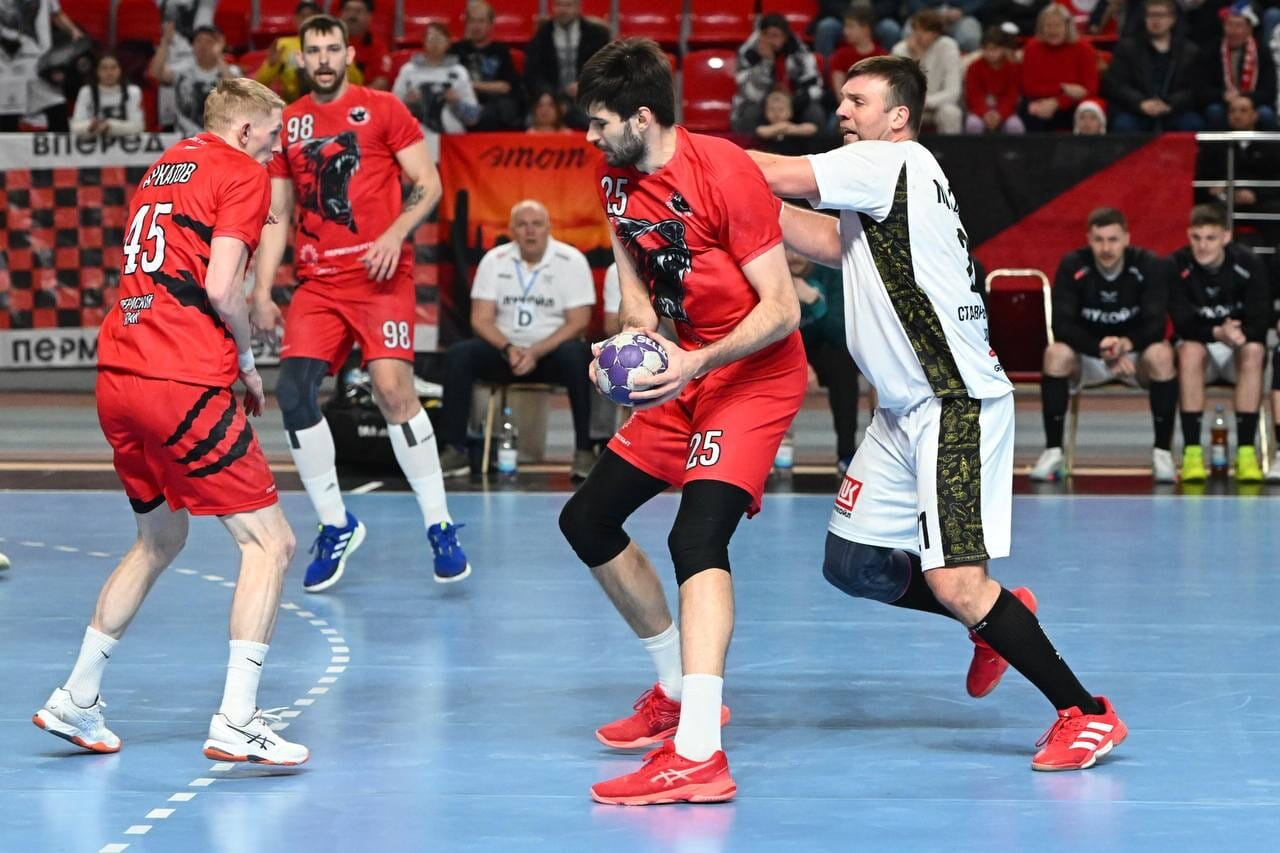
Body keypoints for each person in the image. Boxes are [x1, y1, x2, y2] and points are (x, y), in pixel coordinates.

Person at [750, 54, 1126, 773]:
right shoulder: (889, 183)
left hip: (954, 405)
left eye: (857, 101)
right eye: (841, 100)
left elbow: (777, 172)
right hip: (902, 412)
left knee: (957, 581)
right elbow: (827, 241)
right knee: (853, 563)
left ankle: (1086, 714)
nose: (842, 111)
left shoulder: (890, 161)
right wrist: (743, 206)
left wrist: (683, 157)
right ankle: (995, 616)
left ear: (898, 117)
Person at [33, 77, 310, 765]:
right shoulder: (242, 171)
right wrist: (247, 362)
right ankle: (237, 719)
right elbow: (222, 287)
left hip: (118, 375)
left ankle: (76, 696)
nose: (275, 150)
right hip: (180, 377)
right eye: (271, 136)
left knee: (159, 538)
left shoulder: (164, 166)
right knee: (270, 543)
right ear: (243, 131)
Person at [560, 37, 806, 805]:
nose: (590, 137)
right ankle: (672, 687)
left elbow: (782, 308)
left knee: (696, 537)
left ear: (643, 116)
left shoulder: (723, 172)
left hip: (751, 372)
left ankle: (700, 752)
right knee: (586, 519)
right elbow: (636, 290)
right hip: (682, 367)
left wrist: (696, 361)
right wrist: (625, 350)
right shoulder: (614, 175)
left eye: (600, 122)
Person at [250, 14, 469, 591]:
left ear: (349, 55)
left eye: (332, 49)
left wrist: (395, 234)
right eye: (313, 50)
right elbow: (277, 212)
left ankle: (440, 525)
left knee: (394, 392)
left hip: (380, 277)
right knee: (293, 393)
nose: (323, 59)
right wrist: (261, 290)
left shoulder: (383, 108)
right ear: (302, 59)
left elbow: (429, 182)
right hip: (318, 284)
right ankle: (336, 523)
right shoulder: (289, 123)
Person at [438, 200, 598, 481]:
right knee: (459, 355)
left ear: (548, 228)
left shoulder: (571, 260)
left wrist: (535, 351)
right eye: (522, 225)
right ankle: (455, 449)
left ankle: (584, 450)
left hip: (551, 353)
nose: (530, 231)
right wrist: (509, 348)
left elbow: (579, 321)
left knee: (578, 355)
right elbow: (481, 319)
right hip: (505, 352)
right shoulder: (494, 260)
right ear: (512, 230)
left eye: (536, 224)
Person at [1028, 207, 1177, 482]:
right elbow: (1061, 325)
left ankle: (1162, 453)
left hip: (1134, 359)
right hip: (1089, 357)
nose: (1106, 248)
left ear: (1126, 238)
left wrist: (1125, 344)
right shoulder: (1073, 264)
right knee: (1055, 353)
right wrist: (1100, 348)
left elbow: (1157, 324)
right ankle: (1053, 451)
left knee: (1162, 355)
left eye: (1113, 239)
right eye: (1099, 240)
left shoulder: (1147, 264)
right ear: (1088, 239)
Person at [1169, 204, 1270, 482]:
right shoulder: (1176, 265)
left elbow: (1261, 319)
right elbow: (1182, 322)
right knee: (1189, 351)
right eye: (1196, 238)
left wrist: (1239, 335)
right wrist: (1217, 333)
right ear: (1188, 235)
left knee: (1254, 350)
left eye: (1211, 238)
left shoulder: (1249, 264)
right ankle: (1192, 454)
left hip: (1238, 347)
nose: (1203, 246)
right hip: (1202, 350)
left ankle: (1246, 453)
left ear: (1226, 237)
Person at [786, 247, 860, 472]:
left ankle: (846, 455)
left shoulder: (831, 272)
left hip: (825, 349)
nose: (794, 255)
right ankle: (764, 455)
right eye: (786, 249)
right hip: (784, 352)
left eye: (797, 248)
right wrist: (801, 363)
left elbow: (840, 332)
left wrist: (814, 300)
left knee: (843, 362)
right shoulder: (772, 273)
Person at [1102, 0, 1205, 132]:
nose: (1155, 20)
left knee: (1192, 123)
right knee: (1124, 124)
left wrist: (1170, 104)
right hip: (1137, 108)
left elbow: (1194, 88)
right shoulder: (1127, 48)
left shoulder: (1189, 51)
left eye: (1161, 15)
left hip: (1174, 109)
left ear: (1172, 19)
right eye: (1151, 15)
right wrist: (1140, 103)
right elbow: (1116, 84)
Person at [391, 21, 480, 154]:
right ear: (423, 41)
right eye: (431, 38)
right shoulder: (408, 71)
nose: (435, 43)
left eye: (440, 39)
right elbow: (391, 113)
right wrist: (407, 104)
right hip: (415, 142)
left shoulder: (459, 72)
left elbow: (473, 118)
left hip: (452, 143)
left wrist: (457, 103)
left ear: (448, 43)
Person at [731, 12, 826, 133]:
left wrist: (794, 102)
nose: (771, 40)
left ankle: (796, 136)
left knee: (815, 113)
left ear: (785, 36)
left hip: (795, 101)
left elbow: (814, 85)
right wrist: (766, 62)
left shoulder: (800, 52)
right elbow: (750, 93)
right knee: (748, 114)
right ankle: (763, 137)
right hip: (761, 101)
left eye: (776, 36)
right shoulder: (748, 53)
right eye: (767, 35)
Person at [524, 0, 611, 131]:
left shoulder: (596, 34)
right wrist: (549, 95)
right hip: (551, 96)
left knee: (593, 122)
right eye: (559, 5)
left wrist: (584, 85)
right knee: (529, 121)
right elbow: (532, 72)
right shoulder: (541, 34)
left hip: (585, 96)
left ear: (578, 7)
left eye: (568, 5)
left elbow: (605, 70)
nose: (563, 10)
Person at [1019, 3, 1099, 133]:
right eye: (1048, 26)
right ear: (1041, 28)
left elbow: (1090, 88)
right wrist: (1063, 88)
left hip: (1071, 103)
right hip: (1040, 101)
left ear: (1067, 27)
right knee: (1029, 109)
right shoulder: (1032, 48)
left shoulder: (1084, 48)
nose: (1053, 31)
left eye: (1057, 26)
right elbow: (1029, 87)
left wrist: (1058, 102)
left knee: (1086, 110)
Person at [151, 22, 238, 136]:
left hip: (217, 139)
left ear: (218, 45)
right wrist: (165, 42)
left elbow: (236, 94)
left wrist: (218, 56)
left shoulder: (229, 71)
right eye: (198, 41)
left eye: (209, 42)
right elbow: (156, 72)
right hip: (184, 139)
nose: (203, 46)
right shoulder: (182, 70)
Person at [450, 0, 525, 131]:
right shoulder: (456, 50)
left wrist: (472, 85)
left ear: (490, 24)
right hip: (462, 105)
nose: (476, 26)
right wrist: (488, 87)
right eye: (472, 21)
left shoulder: (501, 50)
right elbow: (450, 85)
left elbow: (505, 87)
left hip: (494, 107)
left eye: (481, 21)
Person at [1204, 2, 1277, 131]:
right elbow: (1201, 89)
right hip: (1223, 102)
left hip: (1253, 102)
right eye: (1229, 25)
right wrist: (1223, 96)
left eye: (1239, 26)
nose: (1233, 31)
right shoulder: (1211, 51)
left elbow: (1269, 91)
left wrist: (1245, 97)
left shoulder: (1262, 53)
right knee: (1214, 111)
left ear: (1249, 29)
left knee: (1265, 114)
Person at [892, 11, 963, 134]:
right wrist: (917, 57)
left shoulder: (948, 47)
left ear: (936, 34)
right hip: (910, 106)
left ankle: (951, 147)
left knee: (951, 113)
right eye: (916, 30)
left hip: (938, 105)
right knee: (896, 113)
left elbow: (953, 91)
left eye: (924, 31)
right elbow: (897, 89)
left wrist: (927, 102)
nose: (918, 35)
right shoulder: (900, 50)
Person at [253, 1, 323, 104]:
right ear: (295, 20)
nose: (307, 21)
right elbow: (258, 85)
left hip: (325, 103)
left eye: (312, 16)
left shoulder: (331, 45)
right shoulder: (283, 45)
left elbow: (350, 82)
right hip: (291, 105)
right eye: (303, 16)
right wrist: (271, 66)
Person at [964, 25, 1025, 135]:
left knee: (1015, 126)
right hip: (980, 112)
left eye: (995, 49)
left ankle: (1012, 148)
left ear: (1003, 49)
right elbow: (973, 95)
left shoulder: (1012, 68)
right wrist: (984, 113)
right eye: (986, 49)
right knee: (973, 124)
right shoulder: (974, 68)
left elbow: (1012, 95)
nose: (990, 54)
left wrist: (1000, 114)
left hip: (1005, 112)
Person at [70, 53, 145, 139]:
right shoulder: (86, 92)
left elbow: (138, 126)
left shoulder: (133, 91)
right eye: (104, 68)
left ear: (120, 70)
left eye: (114, 68)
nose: (109, 73)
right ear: (97, 71)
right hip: (94, 143)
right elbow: (75, 127)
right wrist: (91, 126)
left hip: (127, 145)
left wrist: (110, 126)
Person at [828, 7, 888, 95]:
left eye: (850, 27)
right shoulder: (840, 55)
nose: (845, 31)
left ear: (866, 29)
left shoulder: (882, 57)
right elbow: (840, 93)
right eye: (845, 26)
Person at [338, 0, 391, 90]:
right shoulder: (327, 42)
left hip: (364, 96)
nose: (352, 15)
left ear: (369, 16)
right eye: (347, 10)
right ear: (340, 14)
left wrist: (357, 96)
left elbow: (382, 82)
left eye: (358, 11)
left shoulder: (378, 47)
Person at [754, 89, 820, 156]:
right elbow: (761, 131)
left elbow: (812, 129)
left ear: (790, 112)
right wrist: (780, 127)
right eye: (772, 109)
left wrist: (789, 128)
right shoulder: (763, 125)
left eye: (781, 109)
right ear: (765, 112)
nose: (776, 113)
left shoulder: (796, 122)